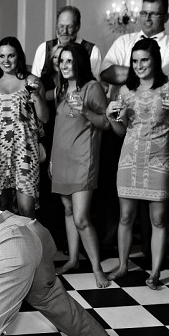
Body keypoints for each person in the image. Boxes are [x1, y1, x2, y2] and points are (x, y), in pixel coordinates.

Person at [106, 38, 169, 290]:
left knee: (159, 219)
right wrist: (111, 118)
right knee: (126, 216)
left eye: (144, 60)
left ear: (155, 61)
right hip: (130, 158)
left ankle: (155, 273)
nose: (139, 66)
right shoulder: (124, 91)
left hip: (159, 158)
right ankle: (122, 265)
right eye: (135, 61)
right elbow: (121, 132)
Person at [51, 44, 111, 286]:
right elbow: (59, 128)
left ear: (79, 63)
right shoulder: (62, 88)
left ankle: (97, 268)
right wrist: (53, 159)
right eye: (61, 61)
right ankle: (73, 259)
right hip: (62, 159)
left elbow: (106, 123)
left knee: (81, 218)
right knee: (68, 211)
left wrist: (85, 110)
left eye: (69, 61)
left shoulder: (92, 87)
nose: (64, 66)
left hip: (83, 159)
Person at [0, 37, 47, 217]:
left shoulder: (31, 80)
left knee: (27, 208)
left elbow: (45, 117)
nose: (6, 61)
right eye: (2, 56)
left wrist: (36, 96)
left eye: (11, 56)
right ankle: (8, 244)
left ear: (19, 57)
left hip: (25, 148)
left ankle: (30, 244)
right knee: (2, 209)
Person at [101, 0, 169, 90]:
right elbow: (105, 73)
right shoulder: (123, 41)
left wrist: (123, 73)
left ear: (166, 17)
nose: (147, 18)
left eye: (154, 14)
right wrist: (147, 72)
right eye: (144, 13)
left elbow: (164, 80)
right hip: (120, 102)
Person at [31, 6, 103, 83]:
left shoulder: (92, 51)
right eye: (61, 26)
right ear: (56, 26)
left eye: (69, 27)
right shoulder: (44, 48)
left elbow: (95, 85)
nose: (64, 31)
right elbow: (34, 82)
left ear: (77, 27)